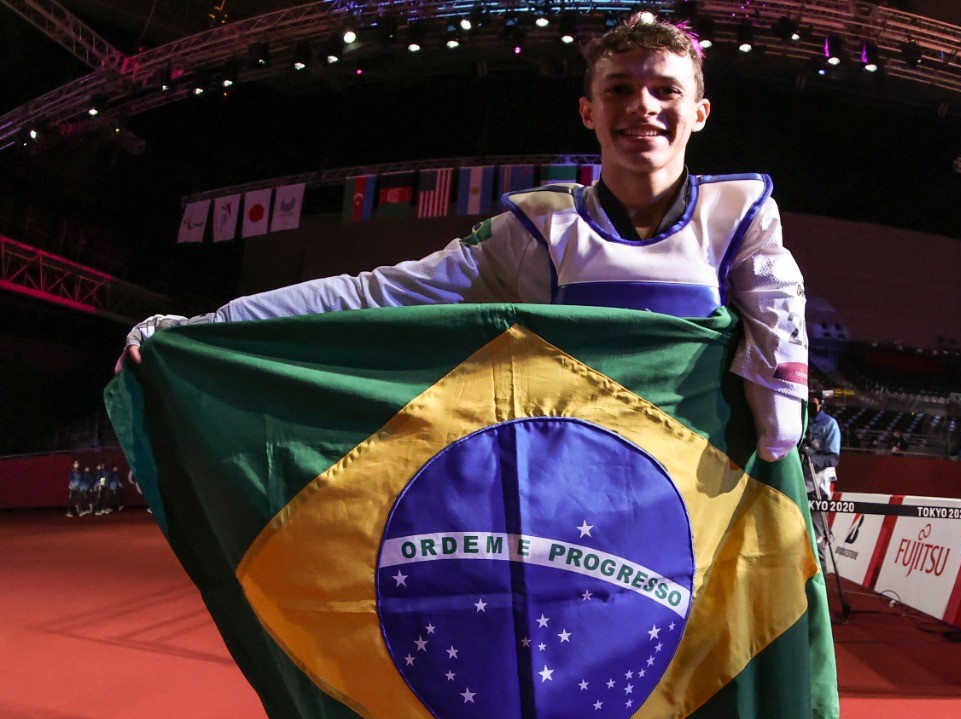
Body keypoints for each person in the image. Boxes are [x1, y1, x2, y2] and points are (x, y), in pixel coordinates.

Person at [114, 13, 806, 464]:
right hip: (566, 503)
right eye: (620, 89)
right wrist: (211, 326)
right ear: (587, 110)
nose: (642, 107)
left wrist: (780, 423)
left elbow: (780, 389)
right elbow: (373, 294)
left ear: (701, 111)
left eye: (665, 90)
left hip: (695, 506)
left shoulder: (741, 216)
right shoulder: (535, 228)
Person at [803, 392, 841, 499]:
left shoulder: (829, 423)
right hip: (797, 481)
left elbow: (833, 459)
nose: (809, 407)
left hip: (817, 484)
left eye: (812, 404)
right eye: (807, 403)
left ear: (821, 404)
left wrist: (809, 460)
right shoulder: (799, 420)